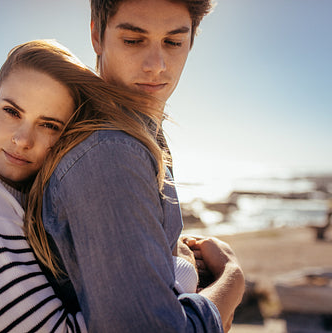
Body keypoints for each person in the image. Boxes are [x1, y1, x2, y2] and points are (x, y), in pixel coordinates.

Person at [0, 40, 200, 332]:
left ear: (68, 133)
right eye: (12, 111)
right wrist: (179, 269)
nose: (23, 139)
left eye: (49, 125)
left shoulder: (33, 197)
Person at [25, 0, 245, 332]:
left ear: (191, 42)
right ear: (97, 35)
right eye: (133, 40)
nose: (156, 65)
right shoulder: (111, 152)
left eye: (173, 42)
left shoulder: (140, 138)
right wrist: (232, 279)